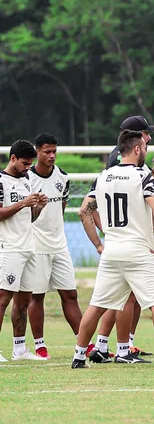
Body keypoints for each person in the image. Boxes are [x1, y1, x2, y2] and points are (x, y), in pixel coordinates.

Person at [72, 130, 154, 369]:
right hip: (140, 251)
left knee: (96, 306)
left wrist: (99, 243)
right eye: (145, 148)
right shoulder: (143, 176)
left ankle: (78, 356)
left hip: (112, 251)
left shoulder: (103, 176)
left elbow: (84, 211)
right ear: (138, 149)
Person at [89, 115, 154, 362]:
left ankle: (103, 346)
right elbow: (142, 194)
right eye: (146, 134)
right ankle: (122, 347)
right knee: (126, 296)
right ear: (135, 139)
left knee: (116, 296)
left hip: (121, 239)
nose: (149, 138)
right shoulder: (124, 162)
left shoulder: (120, 159)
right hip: (130, 239)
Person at [20, 134, 89, 359]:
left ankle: (83, 342)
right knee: (36, 296)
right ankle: (40, 345)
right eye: (47, 151)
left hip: (59, 245)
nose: (52, 156)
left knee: (70, 294)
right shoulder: (26, 178)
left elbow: (61, 207)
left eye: (54, 151)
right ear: (37, 152)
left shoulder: (63, 177)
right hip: (35, 245)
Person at [0, 140, 48, 362]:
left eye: (30, 164)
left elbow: (30, 217)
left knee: (24, 300)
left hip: (28, 247)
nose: (28, 168)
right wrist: (23, 203)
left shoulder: (27, 179)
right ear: (12, 159)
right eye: (24, 163)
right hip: (8, 248)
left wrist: (38, 206)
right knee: (3, 298)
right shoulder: (1, 181)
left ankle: (19, 349)